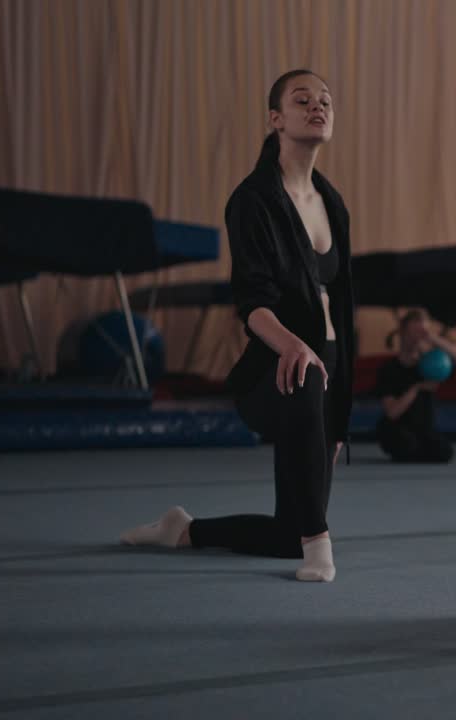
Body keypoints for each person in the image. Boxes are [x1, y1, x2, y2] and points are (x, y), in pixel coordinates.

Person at [118, 69, 355, 583]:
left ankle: (183, 530)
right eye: (302, 100)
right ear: (276, 119)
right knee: (305, 374)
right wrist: (295, 346)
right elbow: (251, 301)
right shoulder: (253, 200)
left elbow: (343, 304)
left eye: (326, 101)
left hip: (326, 370)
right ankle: (320, 547)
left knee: (283, 535)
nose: (318, 107)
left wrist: (338, 409)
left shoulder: (332, 202)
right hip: (277, 371)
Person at [374, 308, 456, 463]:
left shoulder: (431, 365)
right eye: (414, 332)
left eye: (422, 332)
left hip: (422, 429)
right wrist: (416, 388)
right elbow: (392, 412)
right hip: (396, 428)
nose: (418, 337)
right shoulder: (389, 368)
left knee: (444, 452)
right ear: (403, 332)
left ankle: (419, 449)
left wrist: (432, 338)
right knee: (407, 444)